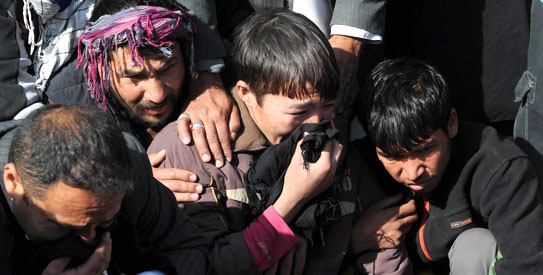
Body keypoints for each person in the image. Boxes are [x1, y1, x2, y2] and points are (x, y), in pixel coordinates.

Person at [149, 9, 413, 275]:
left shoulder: (333, 143)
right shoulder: (194, 148)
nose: (316, 125)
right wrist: (292, 200)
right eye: (298, 112)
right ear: (247, 94)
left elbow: (384, 250)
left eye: (329, 106)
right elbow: (207, 266)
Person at [365, 58, 543, 274]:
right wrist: (355, 239)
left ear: (451, 123)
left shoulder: (499, 169)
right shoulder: (356, 164)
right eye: (394, 157)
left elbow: (527, 267)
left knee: (474, 247)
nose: (413, 173)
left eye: (424, 150)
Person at [0, 104, 208, 274]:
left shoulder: (128, 169)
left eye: (106, 221)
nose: (90, 239)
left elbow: (186, 247)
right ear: (13, 182)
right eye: (63, 226)